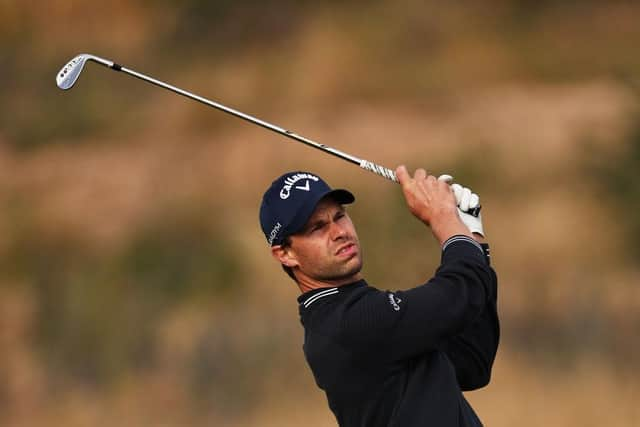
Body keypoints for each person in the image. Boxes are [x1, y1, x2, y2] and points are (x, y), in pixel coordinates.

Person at [259, 166, 499, 427]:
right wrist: (445, 219)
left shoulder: (358, 314)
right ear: (285, 254)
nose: (339, 232)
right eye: (317, 227)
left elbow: (472, 363)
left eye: (339, 216)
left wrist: (469, 233)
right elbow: (459, 293)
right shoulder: (347, 325)